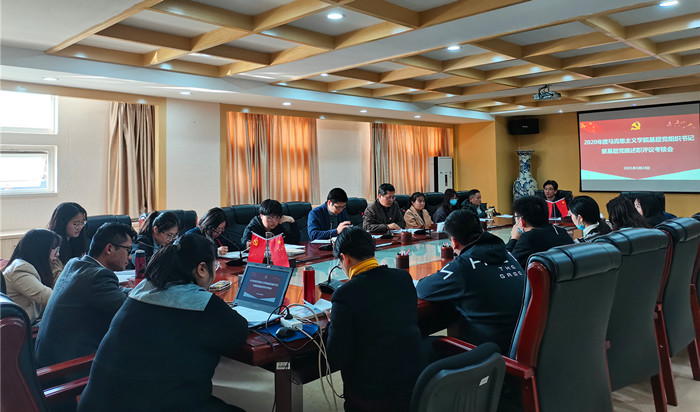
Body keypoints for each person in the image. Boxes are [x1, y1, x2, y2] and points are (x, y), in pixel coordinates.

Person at [77, 234, 248, 412]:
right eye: (215, 265)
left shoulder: (141, 290)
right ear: (202, 268)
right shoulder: (202, 303)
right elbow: (238, 334)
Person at [326, 227, 427, 411]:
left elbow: (337, 357)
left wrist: (333, 322)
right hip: (414, 381)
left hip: (373, 391)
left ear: (345, 258)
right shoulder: (403, 278)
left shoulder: (345, 295)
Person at [416, 210, 525, 353]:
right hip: (519, 347)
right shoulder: (508, 255)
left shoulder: (463, 265)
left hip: (486, 353)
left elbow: (422, 289)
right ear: (482, 231)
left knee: (420, 345)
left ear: (454, 242)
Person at [35, 223, 137, 368]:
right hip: (70, 369)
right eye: (128, 250)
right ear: (109, 248)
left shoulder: (76, 264)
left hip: (49, 359)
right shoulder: (98, 277)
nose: (130, 256)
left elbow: (114, 292)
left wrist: (131, 292)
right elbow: (130, 313)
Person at [3, 229, 61, 323]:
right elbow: (49, 297)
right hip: (21, 325)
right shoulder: (20, 269)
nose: (58, 254)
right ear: (40, 249)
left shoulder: (30, 266)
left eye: (58, 249)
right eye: (54, 248)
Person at [506, 195, 574, 269]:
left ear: (522, 221)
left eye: (516, 217)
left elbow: (507, 265)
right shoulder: (561, 232)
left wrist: (513, 239)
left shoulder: (529, 238)